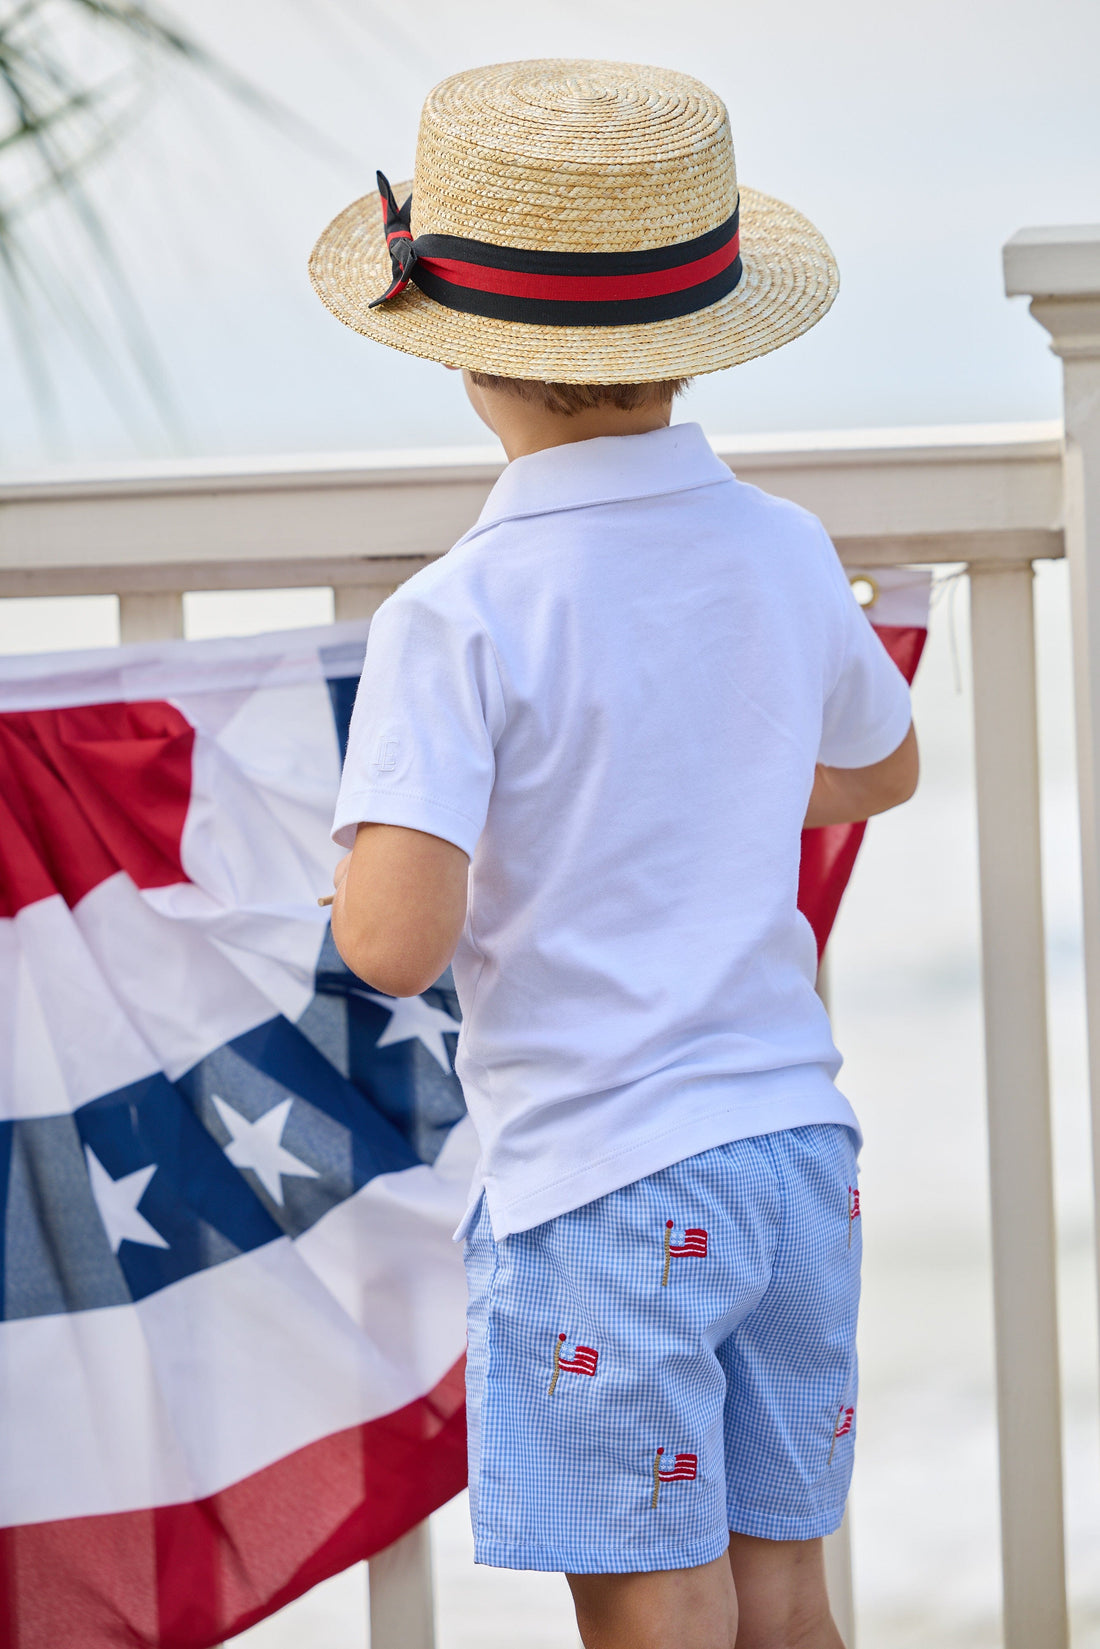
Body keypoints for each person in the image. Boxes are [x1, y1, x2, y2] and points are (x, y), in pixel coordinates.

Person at [311, 58, 917, 1649]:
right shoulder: (780, 545)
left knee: (660, 1608)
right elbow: (881, 762)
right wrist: (699, 778)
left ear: (462, 363)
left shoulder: (460, 612)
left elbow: (392, 941)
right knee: (786, 1593)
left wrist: (367, 870)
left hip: (605, 1182)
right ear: (693, 341)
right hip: (794, 1157)